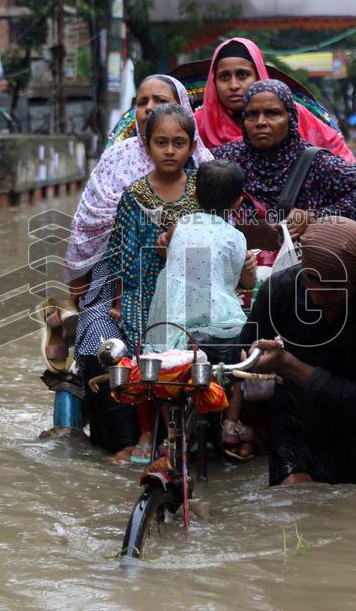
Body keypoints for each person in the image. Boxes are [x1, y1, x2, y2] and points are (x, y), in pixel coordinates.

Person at [63, 75, 213, 458]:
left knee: (204, 341)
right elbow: (88, 225)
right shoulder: (117, 160)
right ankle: (123, 440)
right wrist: (91, 287)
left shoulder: (203, 172)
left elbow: (215, 237)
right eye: (141, 101)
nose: (147, 108)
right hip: (114, 278)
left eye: (158, 99)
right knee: (102, 340)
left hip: (187, 283)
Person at [239, 216, 356, 487]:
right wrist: (250, 360)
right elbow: (242, 351)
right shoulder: (281, 289)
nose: (318, 297)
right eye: (312, 280)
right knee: (294, 500)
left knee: (352, 513)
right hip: (295, 422)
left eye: (333, 289)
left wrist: (287, 364)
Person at [107, 103, 203, 463]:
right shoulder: (133, 195)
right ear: (147, 146)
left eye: (179, 142)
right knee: (142, 352)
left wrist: (179, 252)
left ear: (192, 147)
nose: (169, 150)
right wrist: (157, 252)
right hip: (143, 290)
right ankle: (147, 429)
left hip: (188, 289)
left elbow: (211, 242)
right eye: (160, 142)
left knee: (190, 351)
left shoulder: (200, 191)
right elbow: (122, 255)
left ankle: (188, 430)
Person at [144, 159, 258, 457]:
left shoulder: (180, 224)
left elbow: (178, 257)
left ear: (194, 195)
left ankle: (171, 435)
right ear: (239, 200)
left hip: (173, 322)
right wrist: (251, 269)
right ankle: (231, 425)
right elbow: (241, 283)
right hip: (219, 324)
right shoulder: (236, 237)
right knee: (237, 365)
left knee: (166, 368)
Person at [212, 79, 356, 243]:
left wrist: (315, 217)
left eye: (272, 113)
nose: (260, 122)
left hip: (305, 270)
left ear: (291, 119)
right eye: (252, 115)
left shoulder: (316, 163)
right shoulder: (229, 158)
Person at [195, 38, 356, 164]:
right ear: (213, 81)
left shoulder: (291, 112)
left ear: (258, 75)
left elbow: (338, 151)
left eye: (242, 75)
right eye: (224, 77)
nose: (234, 85)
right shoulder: (198, 123)